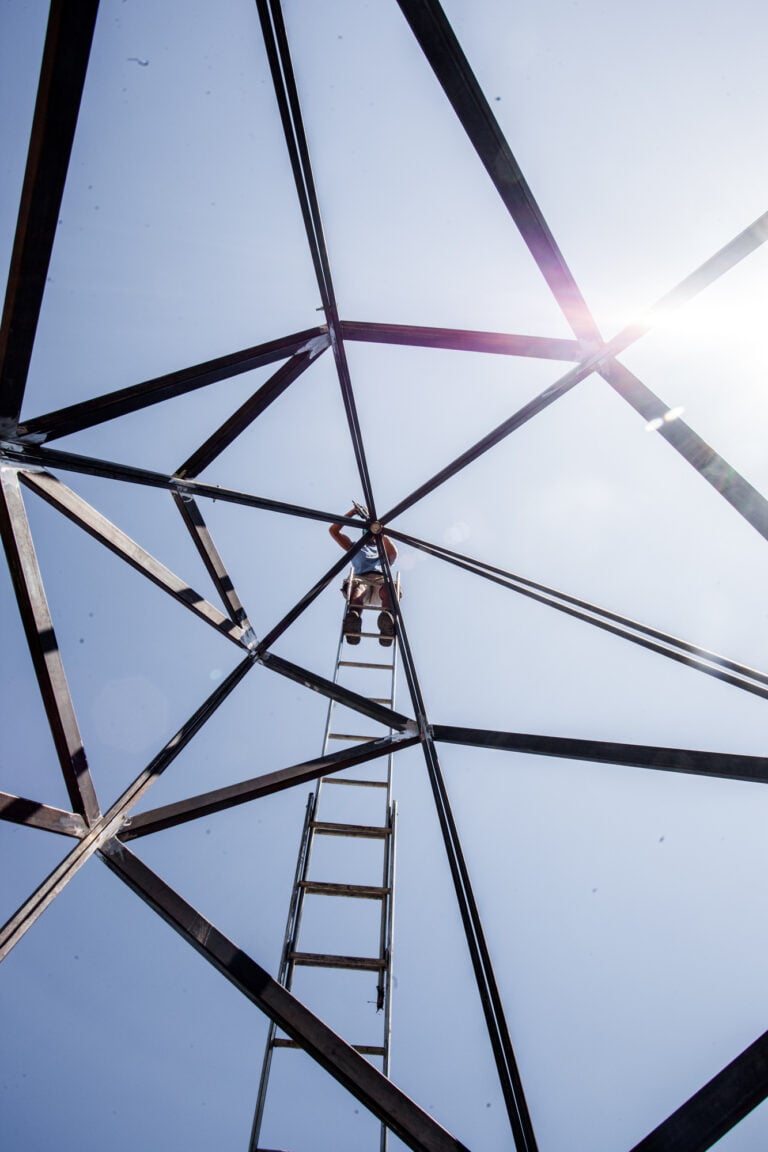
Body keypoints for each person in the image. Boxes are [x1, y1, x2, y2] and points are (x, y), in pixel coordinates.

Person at [329, 506, 398, 646]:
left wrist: (381, 532)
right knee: (358, 589)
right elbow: (334, 531)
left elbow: (393, 554)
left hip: (380, 579)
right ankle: (353, 619)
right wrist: (352, 513)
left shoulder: (382, 549)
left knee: (390, 587)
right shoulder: (356, 547)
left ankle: (387, 621)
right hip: (362, 579)